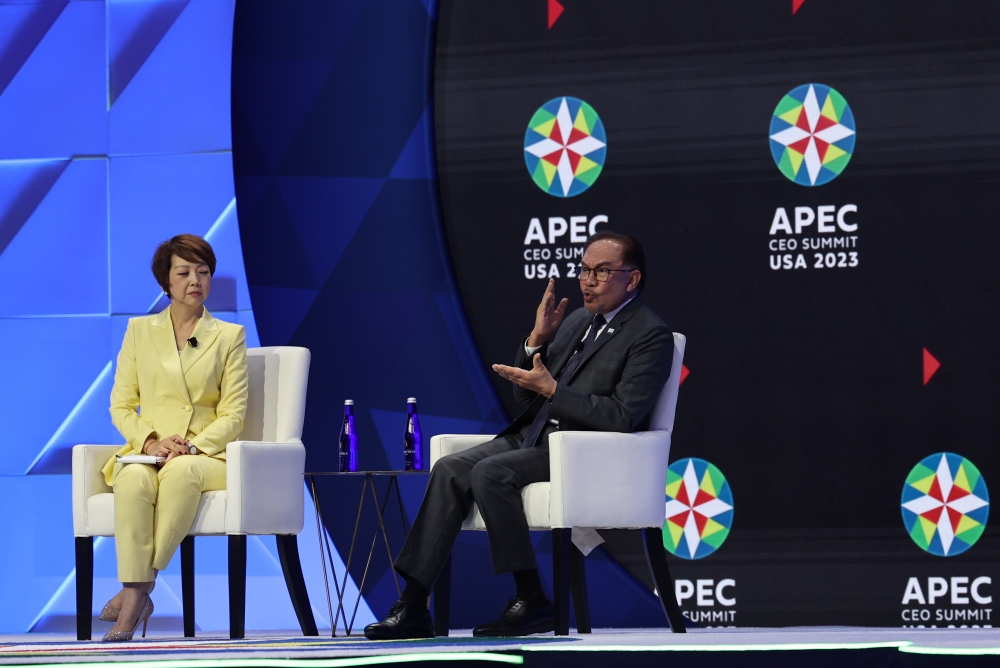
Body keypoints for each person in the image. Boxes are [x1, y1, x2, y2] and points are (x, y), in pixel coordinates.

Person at [364, 231, 672, 639]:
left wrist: (554, 391)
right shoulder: (579, 320)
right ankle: (414, 603)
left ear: (631, 280)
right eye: (583, 270)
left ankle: (531, 599)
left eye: (601, 272)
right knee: (450, 468)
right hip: (537, 434)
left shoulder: (650, 334)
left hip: (584, 449)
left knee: (490, 473)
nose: (587, 281)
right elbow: (526, 390)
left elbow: (621, 416)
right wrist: (537, 339)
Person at [99, 235, 248, 642]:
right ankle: (139, 593)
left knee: (181, 473)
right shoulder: (139, 331)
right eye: (183, 272)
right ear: (165, 281)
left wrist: (191, 446)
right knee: (130, 479)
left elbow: (233, 415)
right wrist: (149, 442)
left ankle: (134, 597)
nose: (195, 280)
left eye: (203, 272)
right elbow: (121, 406)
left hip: (205, 455)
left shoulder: (228, 335)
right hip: (151, 450)